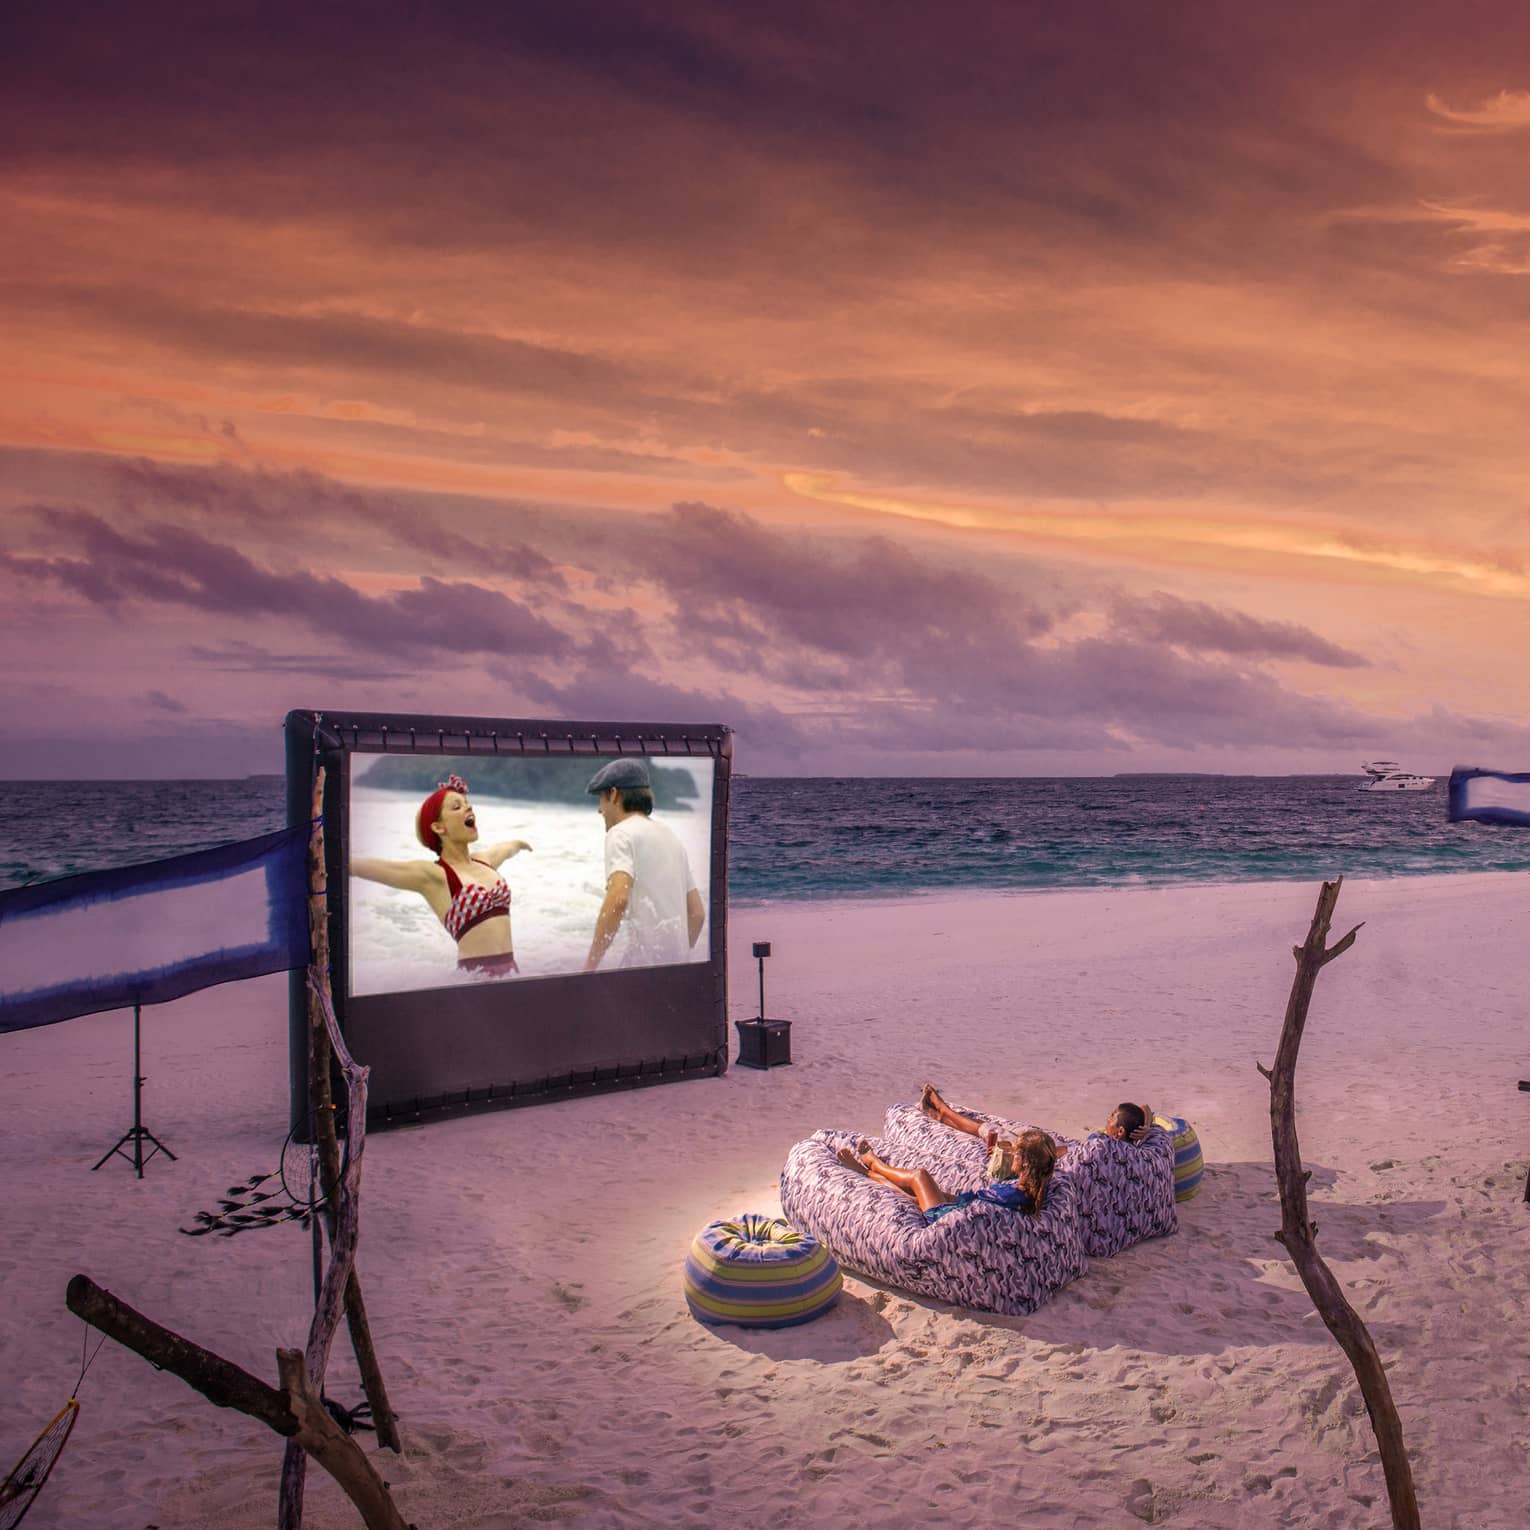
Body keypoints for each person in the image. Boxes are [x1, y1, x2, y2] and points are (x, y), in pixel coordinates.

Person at [351, 773, 531, 976]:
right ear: (438, 827)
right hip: (475, 980)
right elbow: (377, 868)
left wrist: (519, 844)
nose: (468, 808)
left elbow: (504, 849)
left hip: (512, 973)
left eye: (467, 803)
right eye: (457, 806)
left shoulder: (484, 861)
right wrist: (345, 864)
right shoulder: (435, 875)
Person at [584, 758, 705, 971]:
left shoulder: (620, 834)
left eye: (601, 799)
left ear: (614, 794)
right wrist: (677, 956)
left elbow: (617, 900)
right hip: (676, 971)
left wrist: (588, 968)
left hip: (641, 972)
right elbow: (697, 913)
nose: (599, 810)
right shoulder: (670, 837)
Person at [918, 1084, 1154, 1176]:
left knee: (990, 1131)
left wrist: (1040, 1146)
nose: (1107, 1120)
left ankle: (944, 1111)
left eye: (1111, 1118)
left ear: (1120, 1131)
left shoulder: (1103, 1146)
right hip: (1063, 1149)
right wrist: (1147, 1126)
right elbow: (1146, 1108)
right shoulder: (1137, 1149)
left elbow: (1062, 1155)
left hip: (1049, 1155)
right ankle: (944, 1114)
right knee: (1002, 1129)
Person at [835, 1128, 1060, 1222]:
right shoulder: (1034, 1185)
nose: (1011, 1156)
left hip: (948, 1217)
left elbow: (978, 1208)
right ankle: (868, 1172)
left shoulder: (1014, 1195)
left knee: (919, 1177)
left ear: (1027, 1162)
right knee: (913, 1194)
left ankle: (872, 1163)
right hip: (961, 1206)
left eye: (1016, 1154)